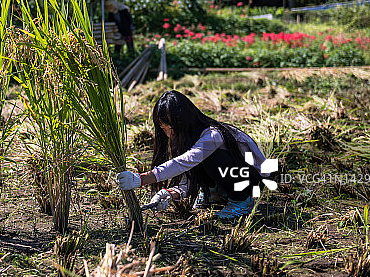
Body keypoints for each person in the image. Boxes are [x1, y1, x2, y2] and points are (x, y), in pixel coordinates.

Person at [116, 90, 272, 220]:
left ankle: (241, 201)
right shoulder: (185, 140)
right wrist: (170, 194)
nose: (168, 134)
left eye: (170, 127)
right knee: (198, 159)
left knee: (212, 157)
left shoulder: (213, 134)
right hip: (233, 177)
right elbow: (188, 177)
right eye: (164, 128)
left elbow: (185, 162)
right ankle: (215, 193)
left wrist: (141, 179)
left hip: (253, 179)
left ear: (184, 121)